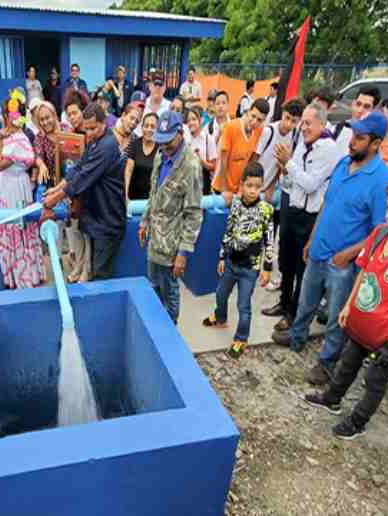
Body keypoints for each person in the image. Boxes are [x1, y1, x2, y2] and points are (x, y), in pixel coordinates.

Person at [303, 172, 388, 440]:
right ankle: (332, 398)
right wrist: (348, 306)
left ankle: (358, 421)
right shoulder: (379, 234)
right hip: (361, 324)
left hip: (386, 335)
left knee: (375, 383)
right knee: (347, 364)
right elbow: (364, 271)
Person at [273, 111, 388, 386]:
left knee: (336, 316)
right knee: (306, 302)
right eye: (353, 135)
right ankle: (297, 336)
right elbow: (327, 204)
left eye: (360, 138)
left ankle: (326, 363)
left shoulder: (382, 181)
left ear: (376, 144)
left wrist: (348, 254)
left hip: (343, 262)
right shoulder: (343, 164)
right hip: (319, 248)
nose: (352, 141)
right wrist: (312, 239)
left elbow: (380, 231)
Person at [262, 101, 340, 330]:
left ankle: (293, 313)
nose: (303, 127)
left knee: (300, 267)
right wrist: (284, 168)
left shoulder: (328, 148)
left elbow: (310, 184)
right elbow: (291, 178)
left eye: (308, 123)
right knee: (285, 262)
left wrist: (289, 164)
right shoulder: (303, 142)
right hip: (291, 208)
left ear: (321, 123)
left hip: (309, 217)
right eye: (302, 123)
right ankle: (283, 302)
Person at [42, 104, 126, 280]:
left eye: (93, 128)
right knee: (94, 270)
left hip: (108, 220)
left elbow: (83, 177)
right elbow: (79, 167)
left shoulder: (107, 146)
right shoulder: (95, 141)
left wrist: (54, 200)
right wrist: (56, 189)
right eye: (86, 128)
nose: (89, 133)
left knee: (101, 275)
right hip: (96, 217)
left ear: (104, 123)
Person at [203, 162, 274, 358]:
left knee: (243, 306)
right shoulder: (235, 204)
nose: (252, 191)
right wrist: (222, 256)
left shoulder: (266, 210)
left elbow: (269, 240)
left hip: (250, 269)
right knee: (220, 294)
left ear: (262, 186)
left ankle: (241, 338)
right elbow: (229, 231)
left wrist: (267, 268)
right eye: (249, 185)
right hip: (231, 263)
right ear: (242, 184)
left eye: (257, 186)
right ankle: (220, 317)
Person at [139, 110, 203, 323]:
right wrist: (144, 222)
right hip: (154, 240)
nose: (164, 146)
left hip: (172, 246)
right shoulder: (160, 156)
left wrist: (183, 254)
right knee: (153, 287)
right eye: (161, 141)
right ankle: (156, 326)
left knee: (170, 292)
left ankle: (170, 328)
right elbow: (153, 193)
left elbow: (194, 214)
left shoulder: (191, 165)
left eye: (168, 141)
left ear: (180, 134)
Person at [0, 94, 46, 289]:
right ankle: (24, 274)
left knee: (15, 227)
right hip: (10, 185)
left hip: (13, 188)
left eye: (3, 114)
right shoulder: (14, 137)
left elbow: (0, 163)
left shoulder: (18, 139)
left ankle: (22, 276)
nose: (0, 117)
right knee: (17, 228)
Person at [213, 98, 269, 196]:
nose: (254, 122)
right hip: (220, 187)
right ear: (248, 111)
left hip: (238, 190)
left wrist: (242, 188)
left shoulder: (259, 131)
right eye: (253, 116)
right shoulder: (232, 126)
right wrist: (224, 190)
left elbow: (250, 162)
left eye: (259, 120)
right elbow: (223, 160)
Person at [333, 85, 381, 156]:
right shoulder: (338, 128)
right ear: (353, 104)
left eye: (366, 107)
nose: (360, 110)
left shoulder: (374, 141)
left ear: (374, 110)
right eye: (358, 104)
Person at [124, 112, 159, 201]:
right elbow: (128, 171)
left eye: (152, 127)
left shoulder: (161, 148)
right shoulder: (134, 144)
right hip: (133, 199)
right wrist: (126, 195)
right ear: (142, 127)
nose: (149, 129)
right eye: (146, 126)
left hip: (153, 199)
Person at [183, 106, 217, 194]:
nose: (191, 123)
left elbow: (214, 167)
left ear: (201, 120)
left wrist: (200, 160)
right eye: (188, 120)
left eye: (194, 119)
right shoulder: (185, 140)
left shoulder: (208, 139)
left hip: (203, 185)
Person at [33, 101, 64, 186]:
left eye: (47, 118)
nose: (45, 122)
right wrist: (41, 165)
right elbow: (38, 155)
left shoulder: (65, 129)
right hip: (52, 183)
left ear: (54, 115)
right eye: (42, 120)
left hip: (69, 181)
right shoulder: (40, 137)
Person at [136, 71, 171, 137]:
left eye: (160, 85)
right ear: (149, 86)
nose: (157, 87)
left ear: (165, 88)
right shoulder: (141, 104)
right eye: (155, 84)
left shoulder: (170, 107)